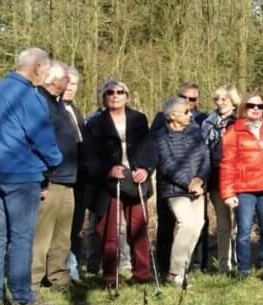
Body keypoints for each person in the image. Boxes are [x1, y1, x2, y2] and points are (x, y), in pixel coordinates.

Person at [0, 48, 62, 305]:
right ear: (37, 67)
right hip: (22, 174)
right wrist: (55, 160)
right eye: (46, 69)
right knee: (21, 238)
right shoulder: (29, 96)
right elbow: (42, 137)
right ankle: (22, 299)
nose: (46, 74)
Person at [84, 79, 155, 289]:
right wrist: (107, 169)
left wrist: (145, 168)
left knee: (138, 228)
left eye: (120, 92)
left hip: (135, 181)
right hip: (109, 184)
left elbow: (150, 148)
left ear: (127, 96)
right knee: (109, 231)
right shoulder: (95, 123)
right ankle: (109, 276)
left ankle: (142, 273)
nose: (115, 95)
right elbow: (88, 156)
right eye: (110, 92)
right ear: (103, 97)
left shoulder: (139, 119)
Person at [218, 92, 263, 281]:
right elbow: (227, 164)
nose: (256, 109)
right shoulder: (234, 131)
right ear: (244, 107)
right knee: (243, 231)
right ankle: (243, 269)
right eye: (251, 105)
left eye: (260, 106)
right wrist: (228, 193)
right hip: (244, 189)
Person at [31, 61, 80, 295]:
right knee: (42, 234)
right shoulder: (40, 103)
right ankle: (33, 281)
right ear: (53, 80)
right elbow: (36, 142)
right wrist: (41, 179)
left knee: (62, 235)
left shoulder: (60, 105)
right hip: (50, 180)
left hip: (68, 180)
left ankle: (59, 278)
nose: (68, 83)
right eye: (65, 79)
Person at [152, 81, 209, 277]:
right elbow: (168, 166)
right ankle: (175, 272)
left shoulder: (195, 132)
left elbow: (205, 157)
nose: (190, 114)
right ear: (173, 115)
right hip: (174, 190)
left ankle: (183, 268)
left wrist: (200, 179)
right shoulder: (160, 137)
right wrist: (188, 183)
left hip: (198, 188)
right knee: (186, 224)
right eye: (185, 112)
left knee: (198, 225)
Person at [202, 85, 241, 274]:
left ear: (233, 101)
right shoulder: (208, 123)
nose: (220, 103)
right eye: (217, 99)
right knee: (224, 224)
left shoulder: (242, 122)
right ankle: (224, 265)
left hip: (241, 178)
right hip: (217, 178)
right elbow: (203, 152)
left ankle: (242, 262)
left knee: (241, 223)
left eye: (224, 99)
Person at [62, 67, 92, 283]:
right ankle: (64, 270)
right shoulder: (52, 109)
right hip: (63, 175)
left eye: (74, 85)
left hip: (80, 176)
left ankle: (74, 268)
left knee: (76, 225)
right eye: (67, 84)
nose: (70, 89)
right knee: (62, 227)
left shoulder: (75, 110)